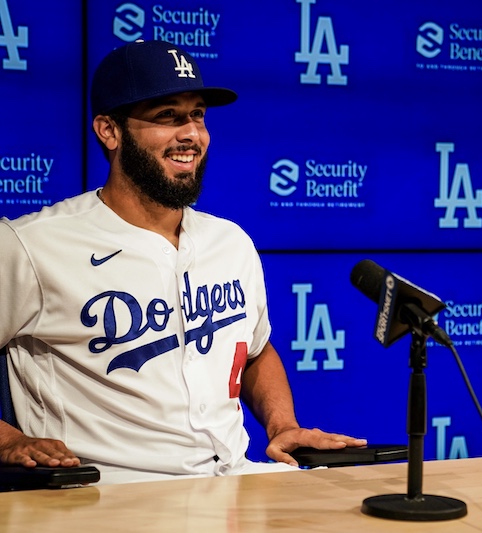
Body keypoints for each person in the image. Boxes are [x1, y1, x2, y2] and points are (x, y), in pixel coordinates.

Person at [0, 40, 366, 484]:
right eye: (167, 116)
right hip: (111, 496)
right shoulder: (31, 245)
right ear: (109, 131)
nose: (191, 134)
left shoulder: (229, 242)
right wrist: (7, 441)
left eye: (197, 115)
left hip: (237, 483)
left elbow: (254, 350)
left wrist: (282, 425)